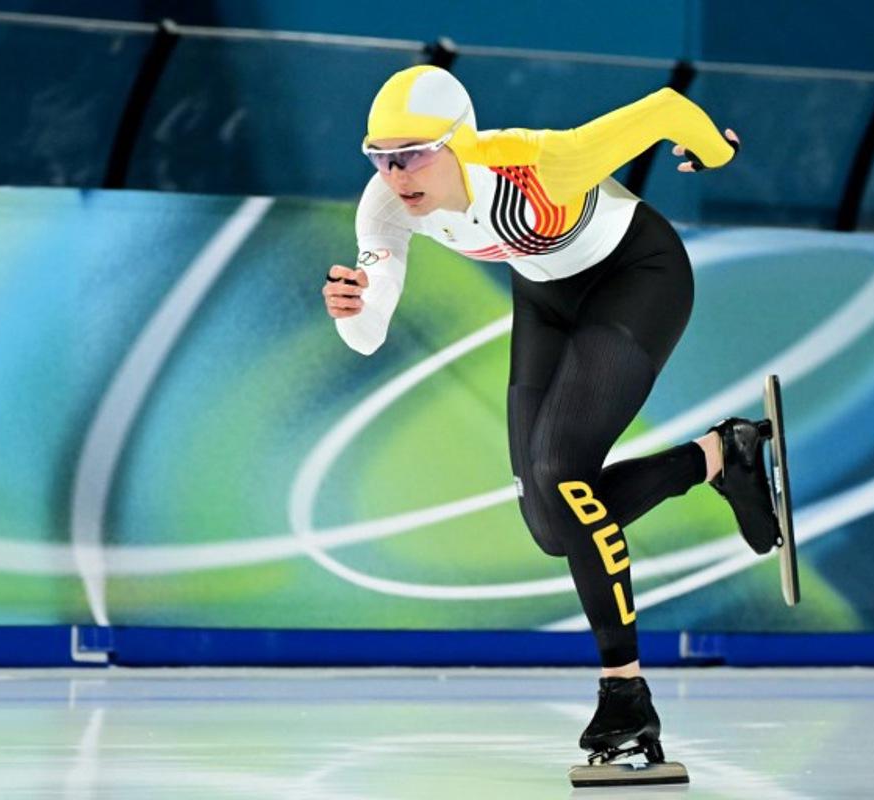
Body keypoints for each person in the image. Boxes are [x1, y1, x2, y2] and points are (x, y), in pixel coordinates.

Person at [320, 65, 783, 780]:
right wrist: (353, 310)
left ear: (455, 144)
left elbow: (663, 108)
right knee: (549, 523)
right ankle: (723, 456)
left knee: (560, 472)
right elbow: (369, 329)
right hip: (545, 297)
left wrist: (713, 152)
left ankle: (625, 694)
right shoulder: (383, 205)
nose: (395, 173)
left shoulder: (537, 164)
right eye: (379, 156)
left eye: (411, 153)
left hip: (638, 276)